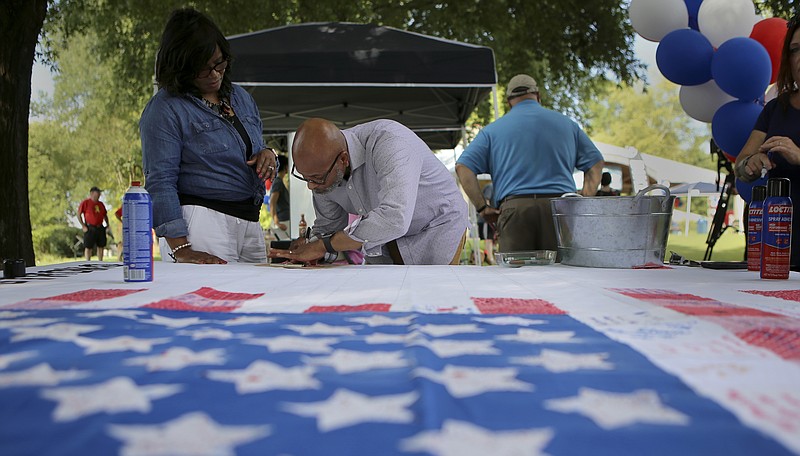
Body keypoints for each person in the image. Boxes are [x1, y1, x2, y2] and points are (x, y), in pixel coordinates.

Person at [139, 8, 278, 265]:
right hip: (202, 223)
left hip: (249, 219)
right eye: (202, 70)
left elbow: (254, 148)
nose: (214, 74)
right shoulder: (165, 108)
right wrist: (181, 248)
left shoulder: (241, 98)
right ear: (181, 68)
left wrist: (268, 156)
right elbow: (160, 181)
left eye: (219, 63)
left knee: (254, 299)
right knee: (211, 300)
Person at [269, 118, 469, 265]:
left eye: (316, 178)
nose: (311, 186)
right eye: (305, 177)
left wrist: (322, 245)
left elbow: (394, 218)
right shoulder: (322, 171)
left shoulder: (390, 142)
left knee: (435, 301)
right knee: (390, 304)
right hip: (390, 237)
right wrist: (309, 248)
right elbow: (329, 228)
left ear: (344, 160)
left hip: (437, 226)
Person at [456, 74, 604, 255]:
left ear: (509, 101)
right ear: (538, 95)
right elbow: (596, 162)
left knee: (517, 280)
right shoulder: (567, 125)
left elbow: (463, 167)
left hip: (515, 211)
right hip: (559, 210)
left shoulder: (492, 131)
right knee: (565, 275)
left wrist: (482, 208)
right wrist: (585, 199)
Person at [735, 15, 800, 271]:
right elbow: (740, 165)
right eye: (795, 50)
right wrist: (752, 164)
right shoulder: (775, 109)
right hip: (773, 247)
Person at [77, 186, 109, 261]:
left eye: (99, 194)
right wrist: (83, 225)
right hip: (90, 227)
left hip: (100, 227)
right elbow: (79, 214)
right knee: (88, 247)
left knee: (101, 246)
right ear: (92, 193)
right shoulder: (85, 203)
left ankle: (100, 262)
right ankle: (88, 262)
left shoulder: (101, 204)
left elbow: (105, 215)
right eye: (97, 193)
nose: (99, 195)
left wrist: (107, 224)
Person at [269, 155, 291, 240]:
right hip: (282, 221)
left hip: (284, 220)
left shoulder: (279, 181)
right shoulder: (278, 182)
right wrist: (277, 222)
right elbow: (272, 203)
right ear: (285, 166)